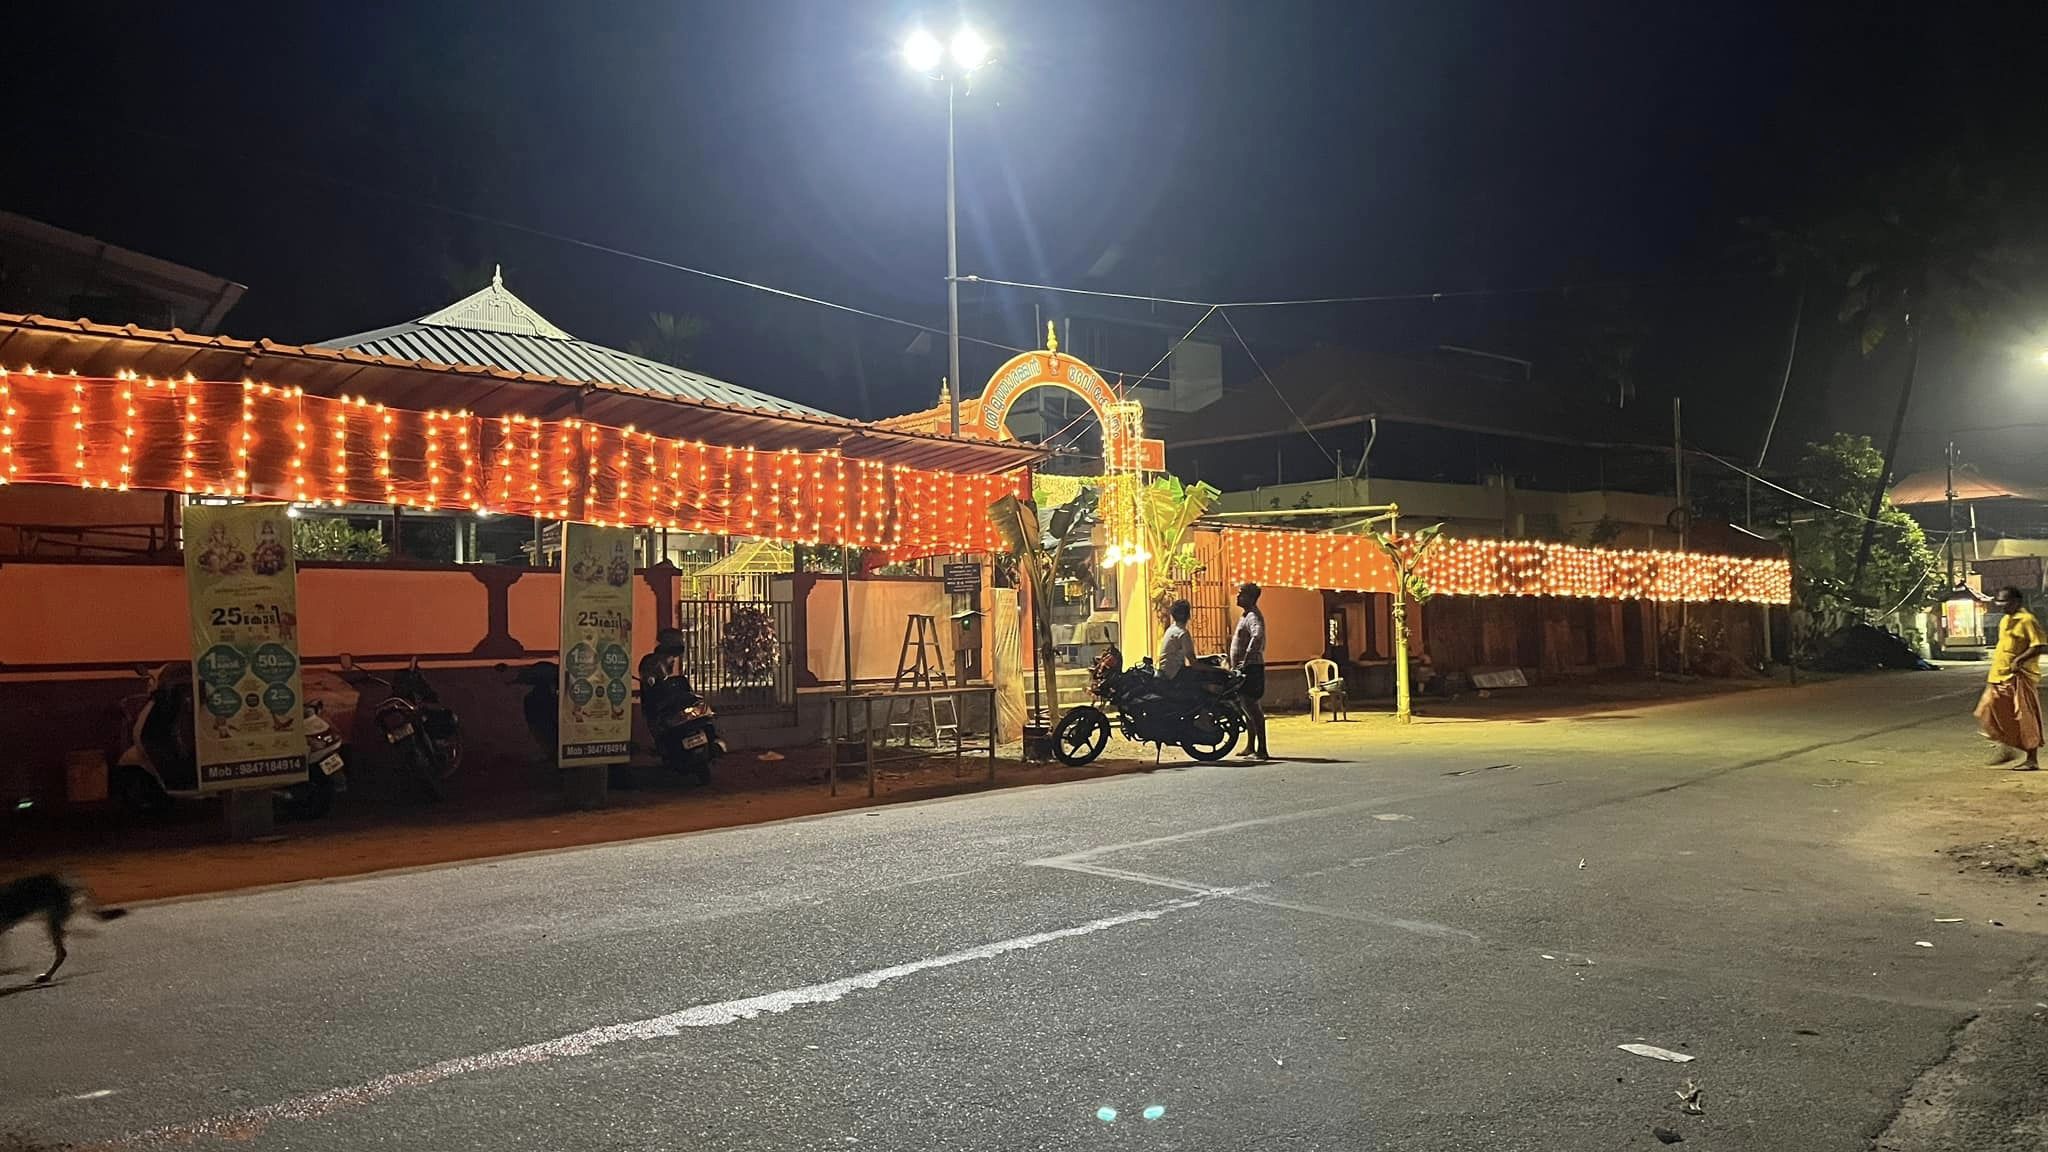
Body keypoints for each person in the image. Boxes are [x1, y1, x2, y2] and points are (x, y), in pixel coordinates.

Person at [1976, 586, 2048, 770]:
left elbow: (2038, 645)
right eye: (1999, 602)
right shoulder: (2004, 620)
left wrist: (2020, 659)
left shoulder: (2027, 620)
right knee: (1990, 713)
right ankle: (2007, 748)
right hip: (1999, 675)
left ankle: (2032, 759)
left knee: (2025, 717)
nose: (2001, 606)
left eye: (2004, 602)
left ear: (2016, 602)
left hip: (2019, 676)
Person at [1230, 582, 1269, 760]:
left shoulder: (1253, 616)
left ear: (1251, 598)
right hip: (1245, 667)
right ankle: (1250, 746)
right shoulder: (1245, 615)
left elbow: (1257, 635)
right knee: (1246, 707)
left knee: (1252, 707)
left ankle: (1262, 749)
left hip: (1251, 668)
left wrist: (1246, 659)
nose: (1238, 597)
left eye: (1241, 594)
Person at [1158, 599, 1197, 681]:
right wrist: (1219, 669)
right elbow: (1193, 663)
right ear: (1188, 615)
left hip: (1166, 672)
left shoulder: (1171, 629)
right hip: (1174, 674)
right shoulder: (1182, 633)